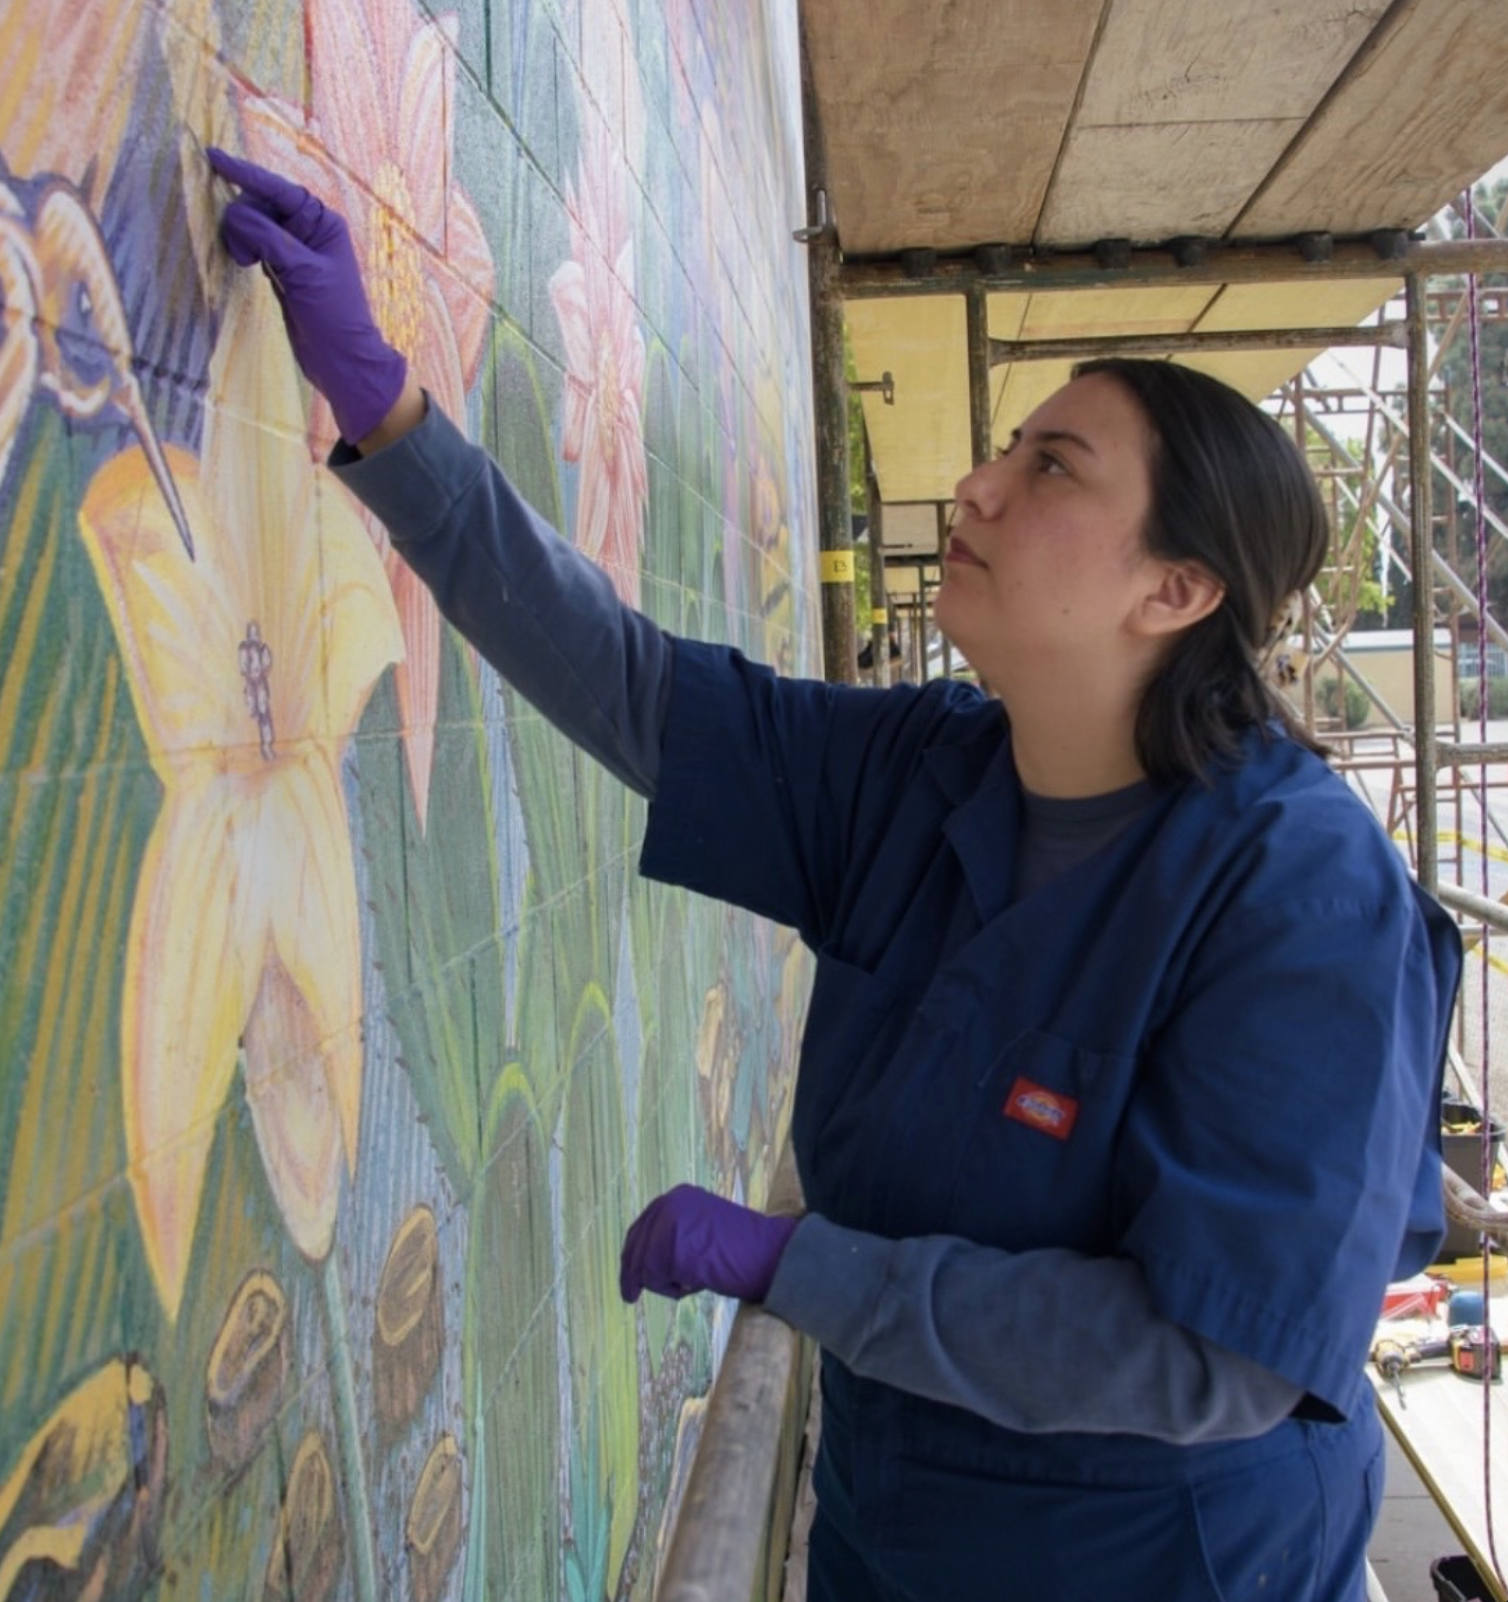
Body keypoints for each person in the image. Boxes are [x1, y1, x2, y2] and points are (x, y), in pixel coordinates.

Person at [207, 149, 1462, 1602]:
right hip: (897, 1523)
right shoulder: (925, 771)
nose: (977, 487)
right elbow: (631, 688)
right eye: (1005, 449)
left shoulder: (1305, 896)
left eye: (1051, 467)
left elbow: (1211, 1352)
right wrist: (389, 414)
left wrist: (804, 1266)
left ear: (1175, 591)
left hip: (1168, 1560)